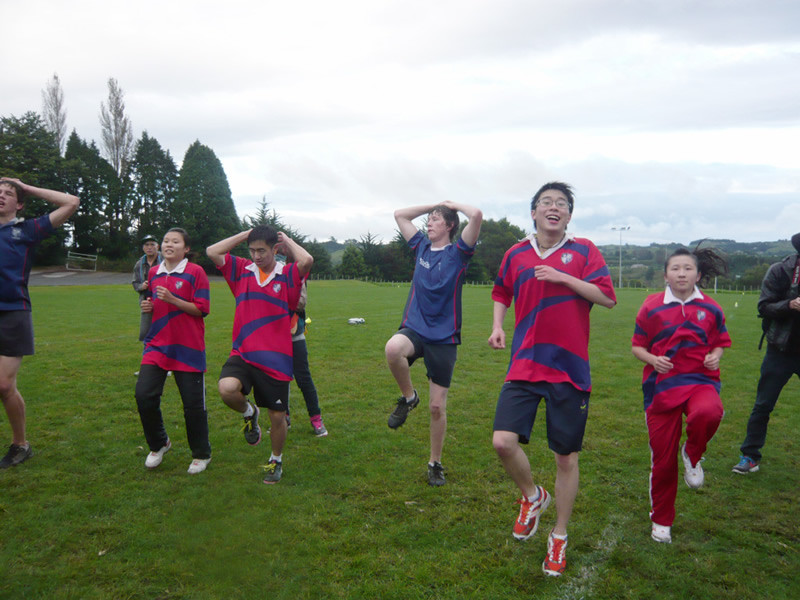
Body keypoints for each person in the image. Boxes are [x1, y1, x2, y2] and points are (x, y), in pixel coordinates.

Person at [488, 182, 615, 577]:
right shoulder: (516, 252)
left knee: (565, 457)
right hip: (524, 363)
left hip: (569, 370)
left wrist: (563, 278)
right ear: (534, 212)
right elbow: (500, 290)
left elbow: (607, 297)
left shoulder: (584, 250)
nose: (554, 208)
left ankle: (558, 535)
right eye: (546, 202)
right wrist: (498, 326)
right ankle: (532, 496)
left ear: (569, 216)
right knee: (502, 441)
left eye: (561, 203)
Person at [631, 245, 731, 544]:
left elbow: (720, 342)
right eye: (676, 268)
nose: (682, 273)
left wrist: (716, 355)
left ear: (698, 274)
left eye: (688, 268)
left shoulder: (712, 308)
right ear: (666, 275)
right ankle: (661, 520)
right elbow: (637, 346)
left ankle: (692, 452)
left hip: (700, 381)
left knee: (710, 413)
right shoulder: (651, 306)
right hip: (661, 389)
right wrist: (653, 360)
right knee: (662, 461)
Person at [384, 200, 483, 487]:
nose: (429, 223)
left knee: (437, 407)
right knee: (392, 349)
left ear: (450, 226)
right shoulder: (421, 248)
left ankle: (435, 462)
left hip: (444, 337)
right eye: (429, 219)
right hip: (415, 328)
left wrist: (450, 205)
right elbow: (400, 214)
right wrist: (433, 205)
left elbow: (476, 215)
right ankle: (409, 397)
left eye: (436, 219)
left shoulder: (459, 254)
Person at [207, 226, 313, 484]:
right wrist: (246, 234)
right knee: (226, 389)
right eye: (252, 250)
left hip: (276, 359)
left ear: (275, 249)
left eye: (261, 250)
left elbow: (307, 260)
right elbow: (212, 251)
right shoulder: (241, 271)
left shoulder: (287, 275)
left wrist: (285, 238)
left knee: (277, 417)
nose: (255, 256)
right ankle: (248, 413)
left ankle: (275, 460)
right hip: (243, 353)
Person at [0, 177, 79, 469]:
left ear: (18, 204)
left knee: (4, 385)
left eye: (8, 194)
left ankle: (21, 445)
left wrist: (25, 187)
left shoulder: (26, 230)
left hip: (13, 312)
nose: (2, 195)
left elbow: (71, 202)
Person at [135, 228, 212, 474]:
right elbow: (153, 302)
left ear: (186, 248)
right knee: (144, 396)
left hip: (187, 348)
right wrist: (148, 306)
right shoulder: (154, 272)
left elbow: (201, 310)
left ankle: (201, 454)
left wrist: (172, 299)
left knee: (192, 406)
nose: (168, 244)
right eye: (166, 241)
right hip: (156, 345)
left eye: (175, 241)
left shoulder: (196, 272)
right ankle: (159, 444)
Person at [733, 233, 800, 474]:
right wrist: (790, 305)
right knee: (763, 405)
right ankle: (750, 456)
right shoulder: (781, 270)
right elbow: (764, 307)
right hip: (780, 350)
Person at [288, 281, 328, 437]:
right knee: (278, 380)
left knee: (304, 379)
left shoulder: (296, 272)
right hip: (275, 337)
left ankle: (316, 419)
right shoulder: (266, 272)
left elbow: (300, 303)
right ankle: (283, 417)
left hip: (294, 334)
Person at [132, 234, 163, 342]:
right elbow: (135, 283)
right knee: (146, 332)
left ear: (157, 246)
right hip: (146, 300)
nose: (149, 247)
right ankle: (148, 355)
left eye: (152, 244)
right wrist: (142, 286)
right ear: (143, 248)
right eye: (146, 245)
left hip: (163, 298)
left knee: (164, 329)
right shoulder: (139, 264)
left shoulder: (165, 260)